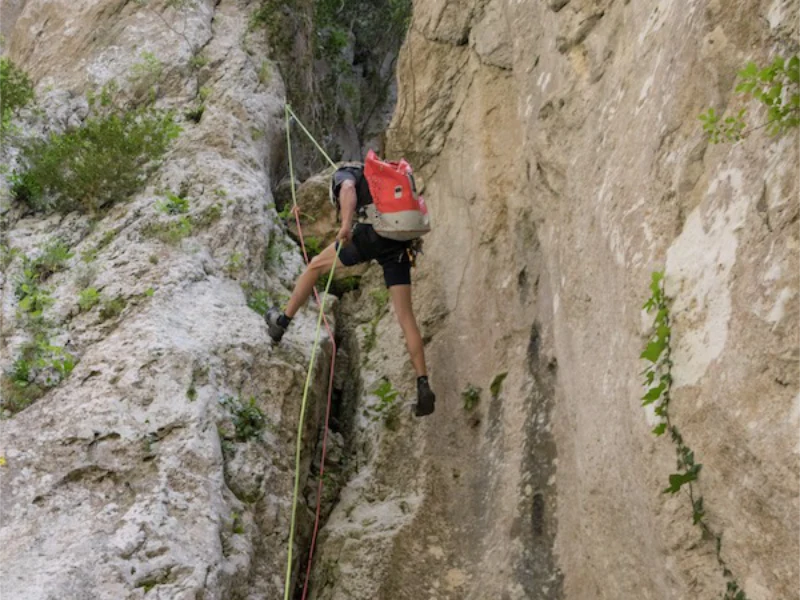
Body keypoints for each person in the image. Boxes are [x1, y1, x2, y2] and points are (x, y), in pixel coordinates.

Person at [266, 163, 436, 417]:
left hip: (370, 235)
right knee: (405, 315)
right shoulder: (380, 178)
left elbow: (347, 189)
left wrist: (345, 224)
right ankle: (423, 384)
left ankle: (281, 323)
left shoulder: (345, 174)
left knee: (314, 267)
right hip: (398, 244)